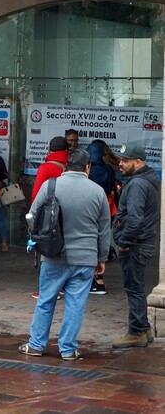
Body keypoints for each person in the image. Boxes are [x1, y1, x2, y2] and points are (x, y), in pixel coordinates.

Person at [18, 149, 110, 361]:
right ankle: (68, 349)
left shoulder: (50, 186)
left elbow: (31, 215)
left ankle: (36, 345)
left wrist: (39, 238)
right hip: (86, 258)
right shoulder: (97, 192)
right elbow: (104, 230)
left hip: (53, 255)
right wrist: (102, 258)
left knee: (46, 299)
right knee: (76, 304)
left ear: (67, 165)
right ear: (88, 167)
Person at [111, 142, 160, 349]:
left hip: (136, 245)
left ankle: (137, 332)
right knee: (136, 287)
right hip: (140, 243)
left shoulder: (138, 184)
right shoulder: (145, 179)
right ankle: (144, 329)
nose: (121, 164)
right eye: (121, 160)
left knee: (134, 288)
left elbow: (135, 218)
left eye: (125, 160)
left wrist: (123, 242)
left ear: (138, 162)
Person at [30, 135, 70, 299]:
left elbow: (37, 194)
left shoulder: (46, 168)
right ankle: (63, 286)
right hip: (68, 214)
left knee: (48, 252)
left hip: (50, 216)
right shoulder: (71, 165)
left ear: (49, 149)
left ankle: (49, 290)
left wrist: (34, 219)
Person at [86, 139, 118, 295]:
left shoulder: (88, 170)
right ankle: (99, 281)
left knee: (89, 243)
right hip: (106, 208)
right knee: (101, 240)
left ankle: (92, 281)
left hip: (90, 209)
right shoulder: (109, 170)